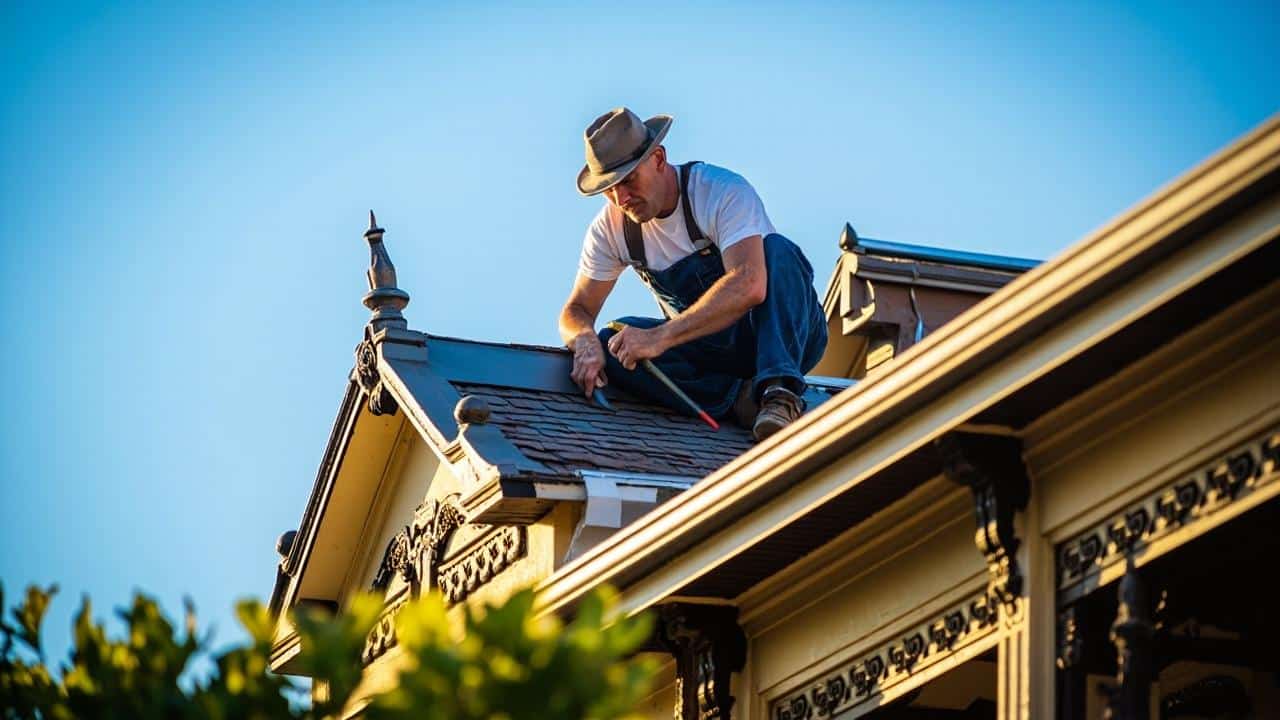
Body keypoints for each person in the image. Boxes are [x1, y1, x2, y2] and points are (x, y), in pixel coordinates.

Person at [558, 107, 828, 441]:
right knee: (614, 342)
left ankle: (779, 394)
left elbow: (750, 284)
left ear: (658, 158)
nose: (621, 198)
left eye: (628, 180)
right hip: (712, 353)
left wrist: (659, 338)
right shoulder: (610, 229)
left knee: (778, 251)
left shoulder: (720, 191)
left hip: (782, 336)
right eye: (609, 188)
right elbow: (577, 311)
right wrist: (584, 341)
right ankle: (737, 399)